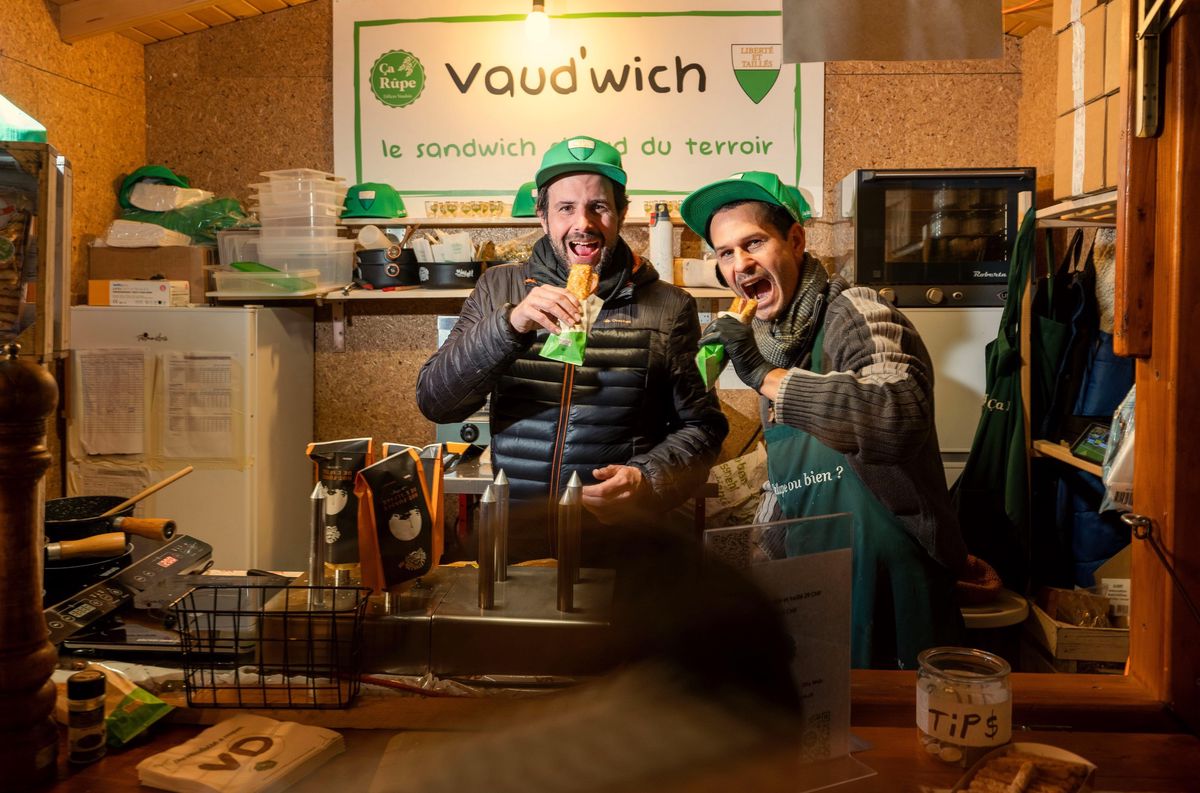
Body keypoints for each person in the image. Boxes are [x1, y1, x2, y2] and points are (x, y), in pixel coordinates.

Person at [680, 171, 966, 669]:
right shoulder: (774, 339)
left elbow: (895, 415)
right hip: (820, 576)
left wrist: (764, 375)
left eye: (754, 242)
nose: (740, 264)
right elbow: (791, 483)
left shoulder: (857, 310)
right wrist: (761, 574)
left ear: (795, 240)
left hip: (892, 581)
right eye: (726, 253)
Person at [417, 135, 728, 563]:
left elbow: (704, 429)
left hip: (621, 548)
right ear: (542, 217)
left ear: (621, 215)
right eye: (565, 208)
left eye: (599, 206)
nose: (583, 223)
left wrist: (646, 478)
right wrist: (511, 324)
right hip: (514, 541)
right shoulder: (498, 288)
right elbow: (436, 402)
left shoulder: (669, 307)